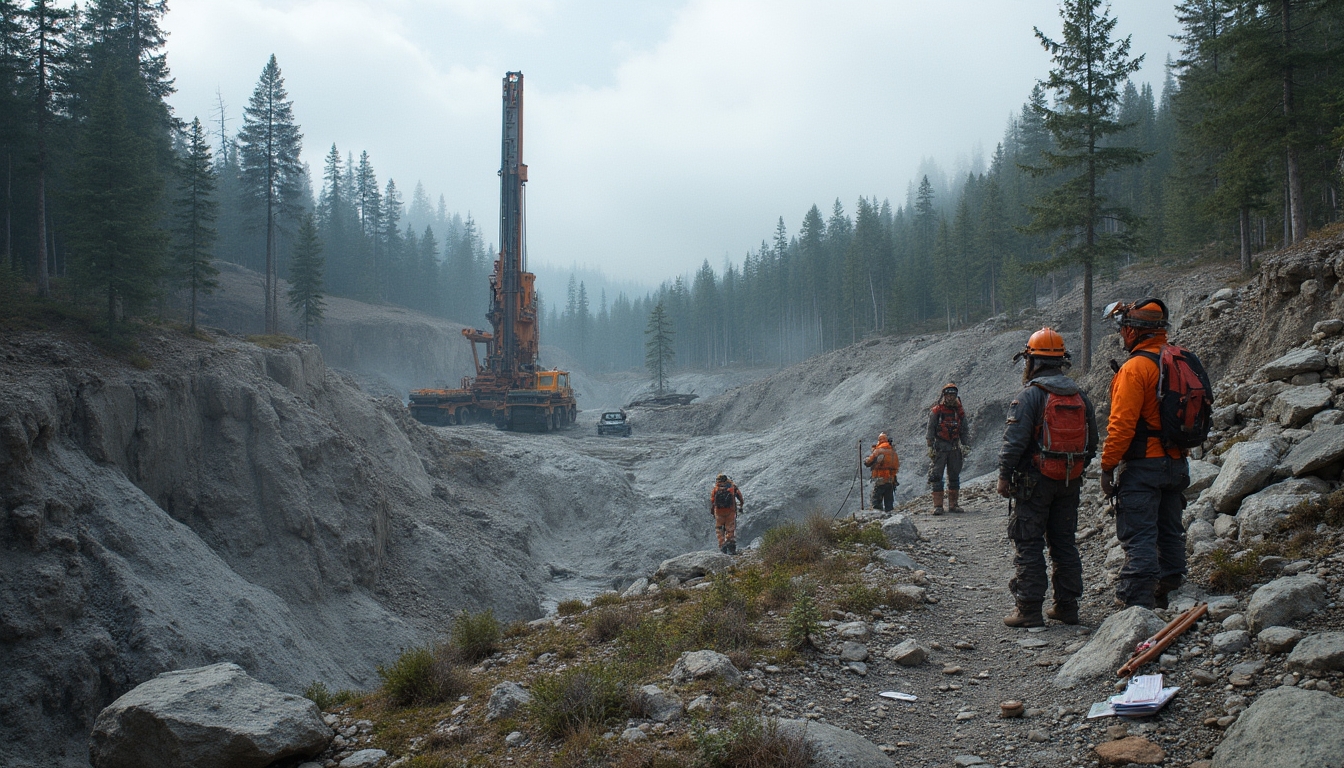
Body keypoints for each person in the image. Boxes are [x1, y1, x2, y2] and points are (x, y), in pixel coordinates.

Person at [996, 328, 1098, 628]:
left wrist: (1004, 476)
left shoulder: (1030, 395)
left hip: (1033, 483)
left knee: (1028, 542)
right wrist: (1075, 470)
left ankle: (1028, 609)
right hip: (1070, 482)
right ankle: (1067, 607)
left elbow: (1014, 442)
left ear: (1032, 360)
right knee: (1064, 543)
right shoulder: (1080, 396)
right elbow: (1092, 442)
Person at [1100, 298, 1192, 609]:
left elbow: (1121, 426)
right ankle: (1171, 591)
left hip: (1144, 465)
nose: (1122, 335)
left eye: (1123, 329)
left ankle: (1136, 606)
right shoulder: (1181, 360)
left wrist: (1107, 466)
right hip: (1177, 463)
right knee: (1170, 530)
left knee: (1139, 536)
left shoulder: (1135, 368)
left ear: (1132, 331)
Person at [927, 383, 971, 515]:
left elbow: (964, 430)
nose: (951, 398)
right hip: (940, 448)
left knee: (954, 475)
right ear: (944, 396)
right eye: (948, 395)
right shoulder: (937, 411)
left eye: (953, 395)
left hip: (954, 448)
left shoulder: (959, 412)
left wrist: (966, 445)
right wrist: (930, 447)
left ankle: (954, 505)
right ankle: (938, 506)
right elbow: (930, 429)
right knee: (937, 476)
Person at [864, 432, 900, 512]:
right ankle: (890, 518)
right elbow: (897, 466)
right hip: (891, 481)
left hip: (880, 480)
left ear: (879, 440)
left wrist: (866, 460)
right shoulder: (893, 452)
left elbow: (869, 462)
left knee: (876, 502)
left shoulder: (878, 451)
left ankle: (878, 519)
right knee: (889, 503)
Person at [710, 474, 744, 555]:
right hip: (730, 511)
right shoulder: (732, 487)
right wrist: (741, 504)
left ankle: (722, 545)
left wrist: (713, 511)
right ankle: (731, 545)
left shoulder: (716, 488)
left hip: (719, 512)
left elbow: (712, 501)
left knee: (719, 529)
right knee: (730, 528)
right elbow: (739, 496)